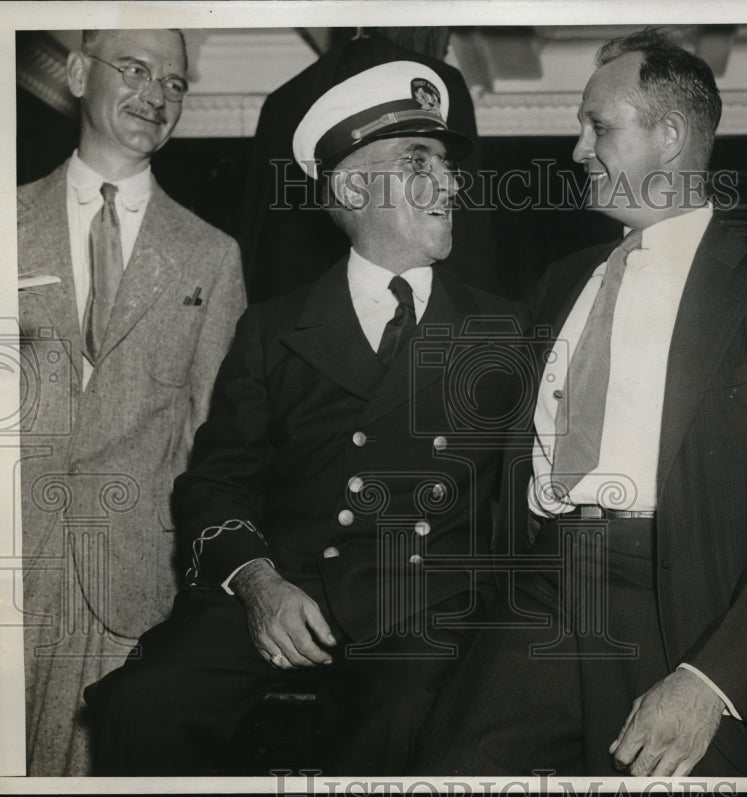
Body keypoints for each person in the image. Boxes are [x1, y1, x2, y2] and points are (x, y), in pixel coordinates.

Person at [414, 28, 747, 777]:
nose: (578, 149)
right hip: (547, 585)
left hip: (682, 605)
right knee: (449, 768)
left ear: (672, 135)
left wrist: (709, 679)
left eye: (599, 126)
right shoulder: (561, 279)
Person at [84, 60, 524, 776]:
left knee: (404, 724)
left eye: (446, 165)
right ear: (351, 187)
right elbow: (215, 484)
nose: (449, 182)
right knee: (143, 702)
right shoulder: (273, 328)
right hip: (287, 587)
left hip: (425, 607)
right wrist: (258, 584)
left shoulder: (504, 331)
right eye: (420, 163)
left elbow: (523, 505)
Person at [16, 28, 246, 776]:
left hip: (133, 583)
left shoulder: (212, 254)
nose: (156, 94)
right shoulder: (0, 224)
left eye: (175, 83)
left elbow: (215, 441)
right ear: (79, 72)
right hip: (10, 572)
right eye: (136, 70)